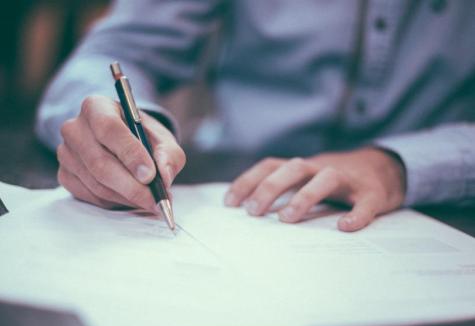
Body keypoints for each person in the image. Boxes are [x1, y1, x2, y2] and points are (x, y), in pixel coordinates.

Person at [36, 0, 475, 232]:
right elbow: (115, 53)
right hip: (235, 189)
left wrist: (399, 164)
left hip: (437, 209)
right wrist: (115, 130)